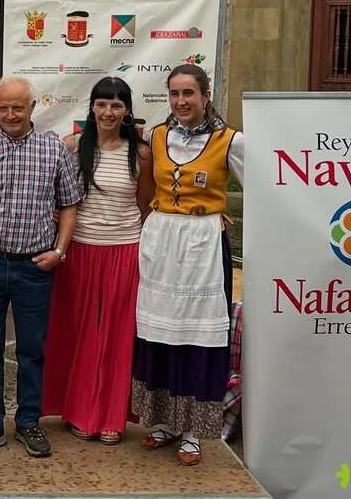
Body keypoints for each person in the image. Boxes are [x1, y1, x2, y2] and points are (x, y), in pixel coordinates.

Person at [0, 76, 82, 459]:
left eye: (17, 108)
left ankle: (28, 423)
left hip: (35, 268)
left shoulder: (54, 150)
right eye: (4, 108)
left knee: (32, 351)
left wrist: (59, 251)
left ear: (32, 108)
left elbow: (69, 204)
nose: (9, 115)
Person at [132, 63, 243, 467]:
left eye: (188, 93)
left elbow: (268, 185)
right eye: (174, 93)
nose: (180, 101)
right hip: (162, 242)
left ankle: (193, 430)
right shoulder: (156, 135)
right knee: (160, 334)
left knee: (198, 337)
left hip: (202, 247)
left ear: (205, 96)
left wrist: (217, 211)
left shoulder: (230, 140)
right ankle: (165, 421)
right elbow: (107, 140)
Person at [41, 77, 154, 445]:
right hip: (79, 251)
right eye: (102, 104)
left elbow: (145, 204)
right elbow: (59, 201)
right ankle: (78, 411)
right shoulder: (72, 146)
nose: (108, 112)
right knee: (79, 333)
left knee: (118, 337)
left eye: (116, 105)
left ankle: (111, 417)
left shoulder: (141, 154)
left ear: (127, 110)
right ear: (91, 107)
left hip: (125, 250)